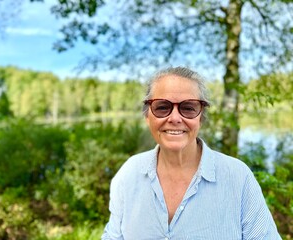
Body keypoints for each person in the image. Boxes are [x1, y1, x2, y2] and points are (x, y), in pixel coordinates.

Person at [101, 66, 281, 239]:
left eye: (188, 108)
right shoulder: (129, 173)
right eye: (162, 107)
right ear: (148, 116)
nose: (175, 118)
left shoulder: (238, 178)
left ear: (201, 118)